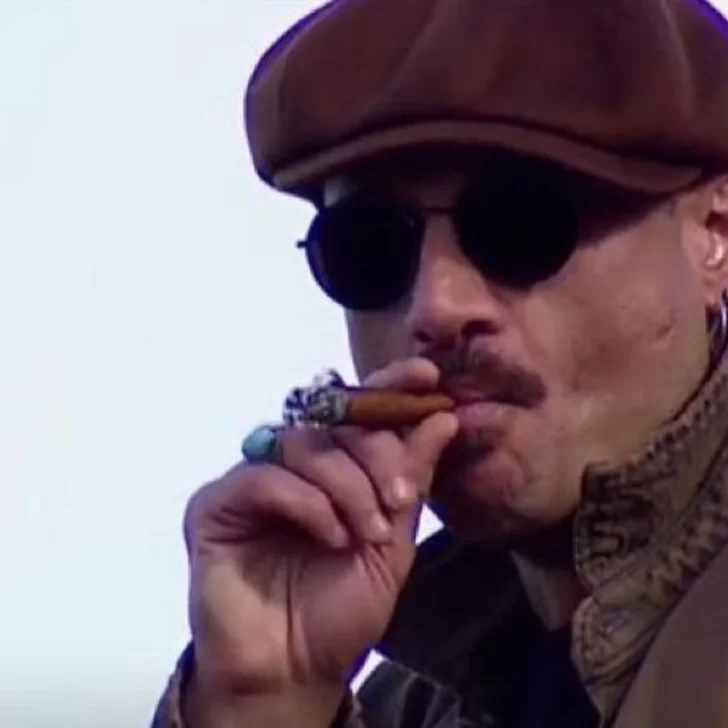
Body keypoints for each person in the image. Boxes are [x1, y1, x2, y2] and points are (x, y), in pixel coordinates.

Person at [151, 0, 728, 725]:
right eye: (369, 247)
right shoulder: (417, 700)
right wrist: (262, 700)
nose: (436, 306)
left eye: (520, 223)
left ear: (713, 235)